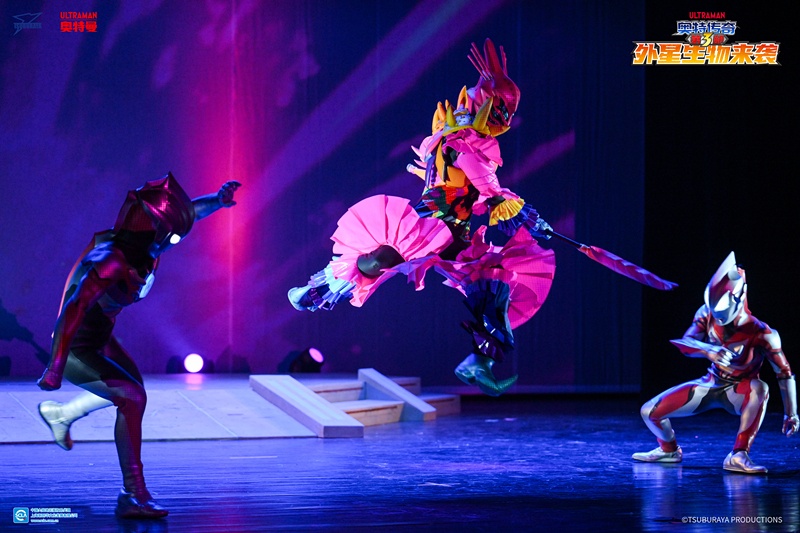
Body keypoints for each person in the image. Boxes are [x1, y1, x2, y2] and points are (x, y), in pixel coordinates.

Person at [288, 39, 556, 396]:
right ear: (488, 105)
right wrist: (524, 215)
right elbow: (488, 189)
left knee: (493, 281)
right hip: (434, 224)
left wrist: (521, 215)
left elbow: (479, 196)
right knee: (383, 260)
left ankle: (479, 362)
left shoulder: (458, 139)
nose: (504, 120)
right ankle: (315, 290)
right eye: (502, 110)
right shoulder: (465, 142)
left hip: (454, 232)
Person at [37, 173, 240, 518]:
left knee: (132, 394)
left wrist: (216, 202)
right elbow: (74, 308)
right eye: (170, 234)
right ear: (153, 228)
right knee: (131, 397)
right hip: (73, 348)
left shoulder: (148, 247)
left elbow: (190, 213)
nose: (173, 241)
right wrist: (55, 367)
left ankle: (63, 414)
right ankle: (133, 494)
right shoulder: (110, 259)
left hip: (100, 339)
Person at [632, 252, 798, 473]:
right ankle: (669, 450)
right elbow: (685, 343)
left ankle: (739, 454)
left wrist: (791, 413)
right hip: (711, 384)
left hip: (740, 392)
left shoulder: (763, 333)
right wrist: (708, 351)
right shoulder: (706, 313)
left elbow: (784, 373)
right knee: (649, 412)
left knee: (760, 387)